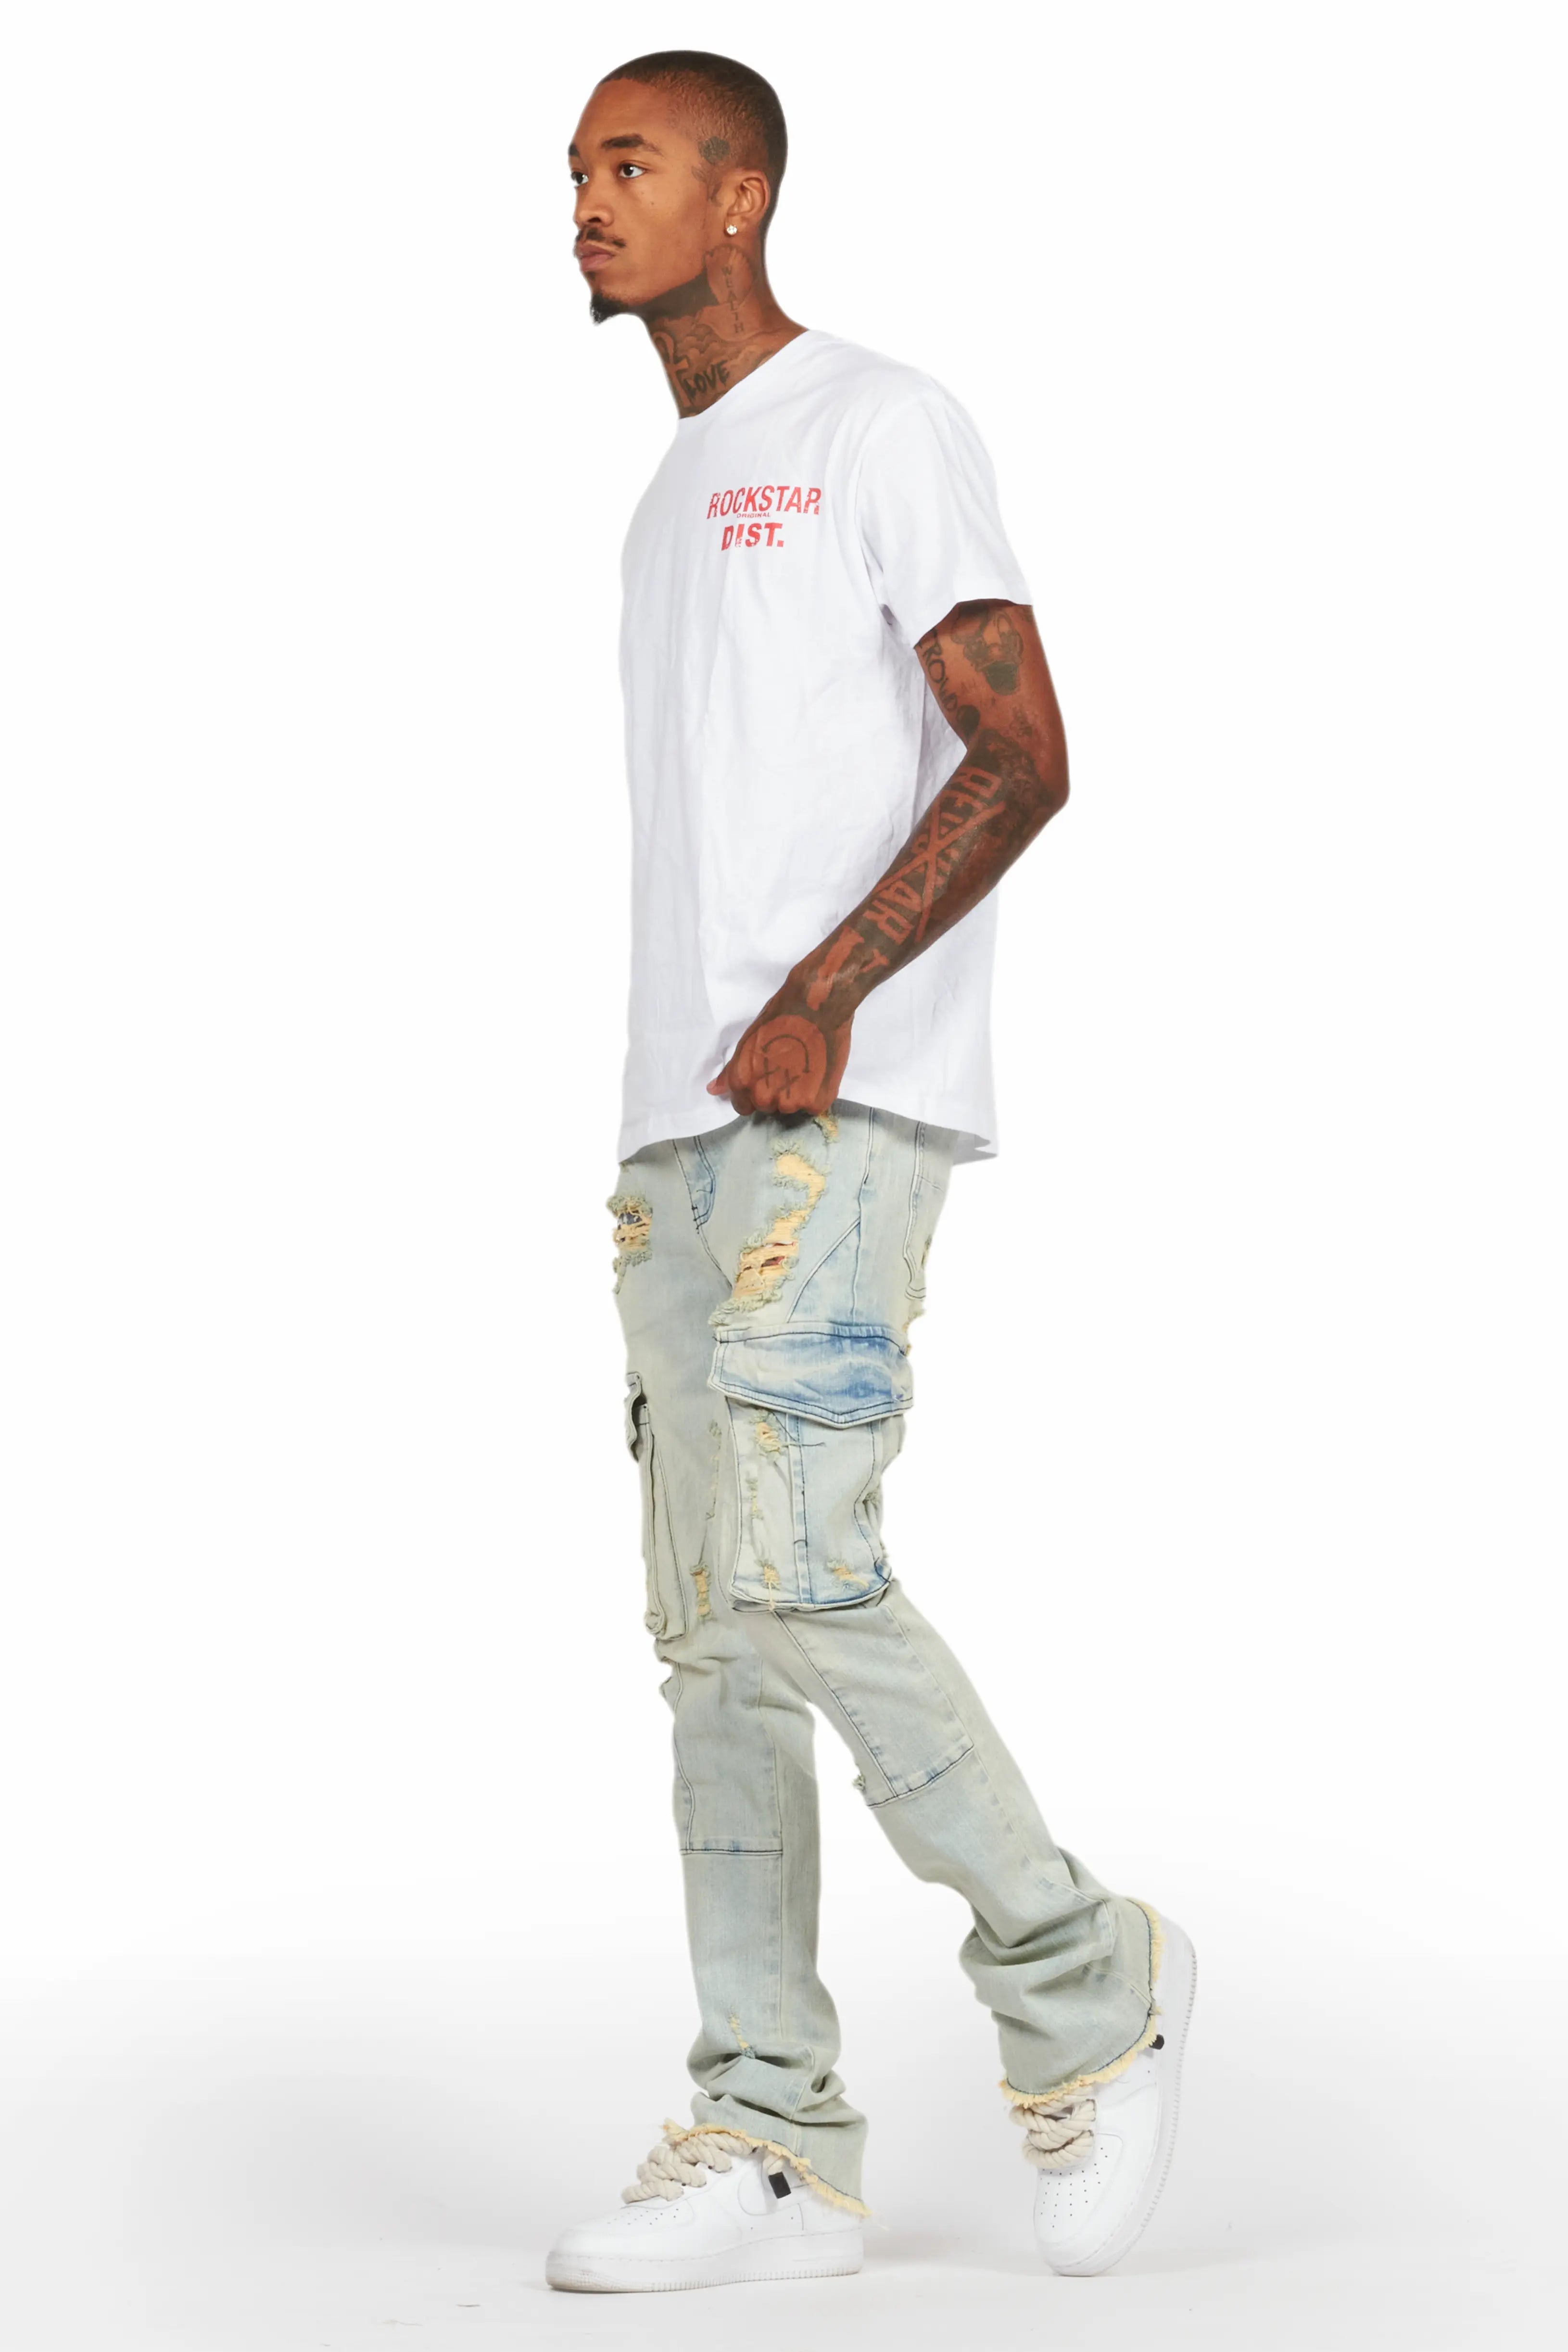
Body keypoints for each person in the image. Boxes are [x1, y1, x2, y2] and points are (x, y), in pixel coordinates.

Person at [545, 49, 1194, 2296]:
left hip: (833, 1100)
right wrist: (687, 1084)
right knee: (711, 1638)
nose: (585, 202)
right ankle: (770, 2133)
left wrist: (825, 991)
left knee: (803, 1571)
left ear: (737, 195)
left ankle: (1086, 1980)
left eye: (629, 164)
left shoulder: (874, 423)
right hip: (676, 1127)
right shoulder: (667, 494)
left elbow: (1020, 750)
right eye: (575, 169)